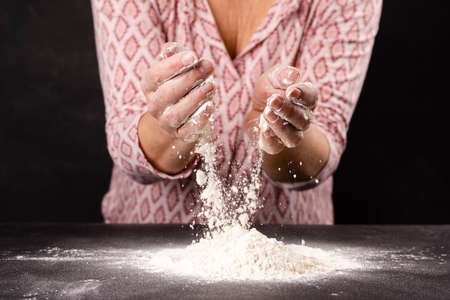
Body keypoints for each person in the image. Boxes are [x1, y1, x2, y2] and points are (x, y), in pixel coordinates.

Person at [91, 0, 382, 224]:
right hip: (144, 256)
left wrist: (278, 132)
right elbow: (125, 144)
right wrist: (174, 125)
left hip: (289, 258)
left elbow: (326, 143)